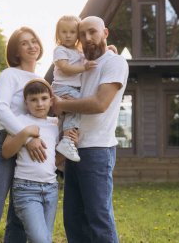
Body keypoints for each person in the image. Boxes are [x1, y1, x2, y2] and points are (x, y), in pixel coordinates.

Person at [53, 16, 129, 243]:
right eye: (82, 34)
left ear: (105, 33)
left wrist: (62, 104)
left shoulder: (115, 63)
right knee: (74, 220)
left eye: (93, 32)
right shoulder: (79, 64)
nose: (87, 38)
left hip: (97, 150)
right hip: (73, 148)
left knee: (98, 219)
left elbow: (99, 104)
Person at [0, 27, 48, 243]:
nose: (32, 46)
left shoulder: (40, 78)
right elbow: (0, 109)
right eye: (24, 43)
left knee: (20, 217)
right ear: (16, 51)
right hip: (6, 142)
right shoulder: (10, 74)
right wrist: (28, 137)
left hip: (28, 152)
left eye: (34, 40)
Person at [1, 78, 76, 243]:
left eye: (43, 98)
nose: (39, 104)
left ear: (51, 101)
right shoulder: (19, 120)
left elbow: (52, 161)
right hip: (26, 189)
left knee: (45, 238)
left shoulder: (56, 124)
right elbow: (6, 152)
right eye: (33, 100)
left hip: (50, 189)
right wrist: (26, 133)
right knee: (41, 240)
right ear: (26, 103)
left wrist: (71, 144)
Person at [51, 15, 97, 162]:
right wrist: (84, 68)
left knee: (70, 115)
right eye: (64, 32)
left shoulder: (79, 52)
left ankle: (63, 142)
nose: (68, 35)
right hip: (62, 87)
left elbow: (95, 51)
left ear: (77, 34)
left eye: (72, 32)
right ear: (58, 34)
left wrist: (110, 48)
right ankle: (66, 140)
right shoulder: (60, 50)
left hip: (72, 88)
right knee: (80, 105)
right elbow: (64, 68)